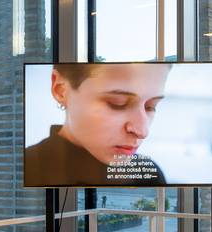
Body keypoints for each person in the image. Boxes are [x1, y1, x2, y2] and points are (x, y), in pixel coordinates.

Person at [25, 63, 170, 187]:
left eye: (151, 106)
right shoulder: (24, 168)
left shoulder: (149, 174)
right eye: (117, 104)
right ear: (61, 90)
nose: (142, 131)